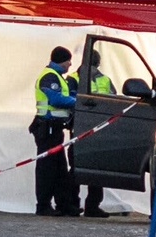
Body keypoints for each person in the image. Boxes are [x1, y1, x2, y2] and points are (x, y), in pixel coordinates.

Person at [31, 46, 80, 217]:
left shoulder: (58, 77)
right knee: (47, 169)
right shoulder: (50, 76)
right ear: (61, 60)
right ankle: (43, 205)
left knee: (60, 169)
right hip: (47, 129)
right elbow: (55, 99)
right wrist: (77, 102)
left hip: (55, 129)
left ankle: (64, 204)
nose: (70, 64)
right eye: (68, 61)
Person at [71, 52, 111, 218]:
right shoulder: (102, 79)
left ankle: (74, 204)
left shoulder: (73, 78)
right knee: (92, 167)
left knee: (77, 167)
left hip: (85, 128)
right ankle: (89, 206)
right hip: (90, 127)